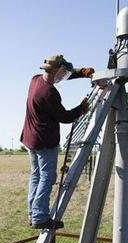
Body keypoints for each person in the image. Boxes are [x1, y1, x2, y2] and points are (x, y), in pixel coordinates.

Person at [20, 54, 95, 229]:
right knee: (47, 177)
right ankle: (39, 217)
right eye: (62, 71)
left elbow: (62, 75)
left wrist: (81, 72)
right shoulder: (49, 93)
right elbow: (65, 117)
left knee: (37, 176)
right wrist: (82, 108)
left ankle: (33, 214)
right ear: (56, 70)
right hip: (44, 140)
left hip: (31, 138)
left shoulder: (36, 80)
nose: (63, 75)